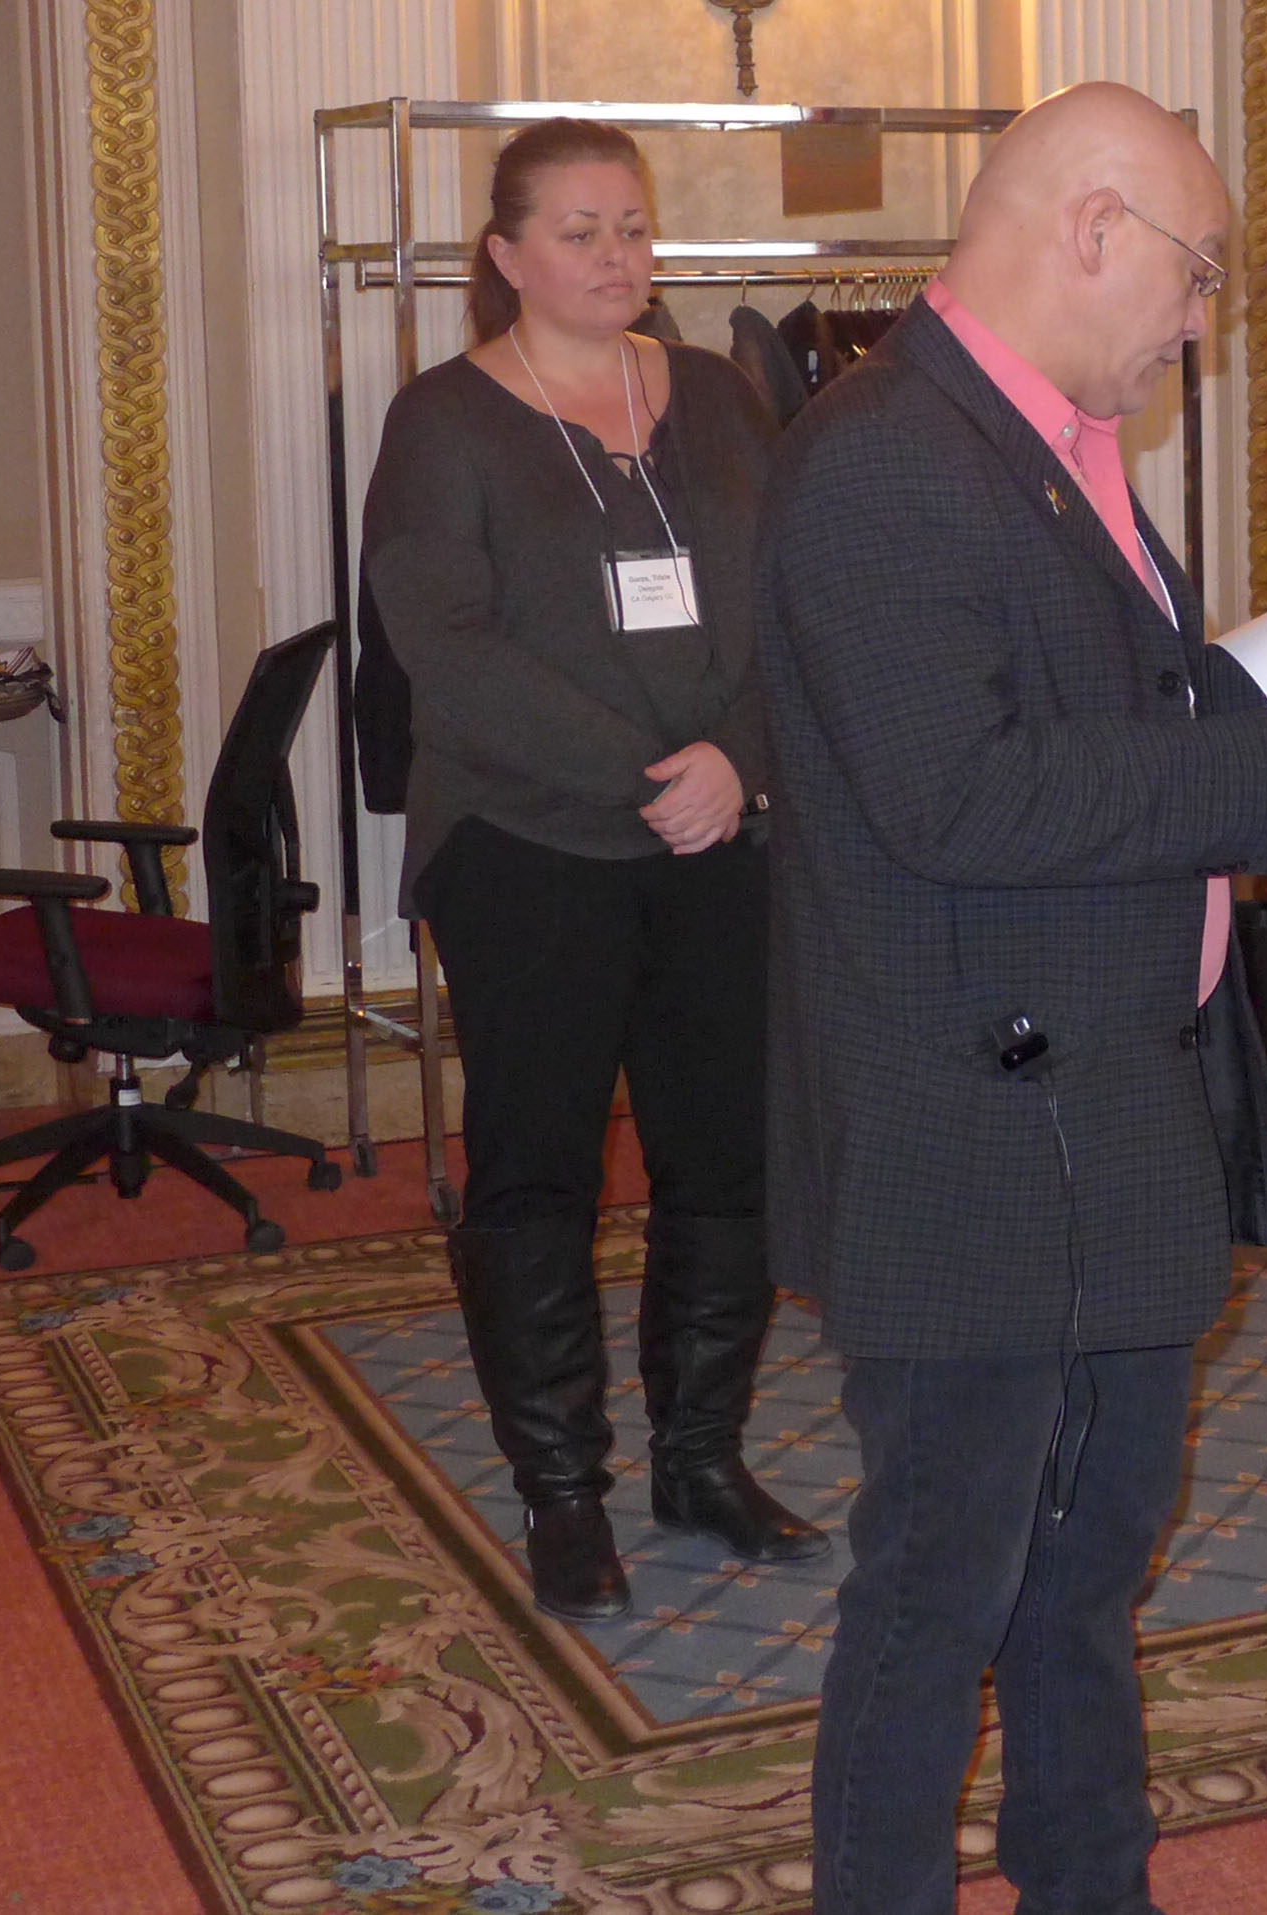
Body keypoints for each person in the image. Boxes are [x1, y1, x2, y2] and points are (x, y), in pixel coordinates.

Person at [755, 83, 1267, 1915]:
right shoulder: (887, 453)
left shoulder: (1052, 440)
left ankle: (1094, 1891)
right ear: (1090, 227)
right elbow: (959, 797)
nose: (1204, 315)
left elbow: (1118, 721)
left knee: (1084, 1579)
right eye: (1199, 269)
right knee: (939, 1596)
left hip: (1110, 1113)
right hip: (970, 1145)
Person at [361, 117, 826, 1627]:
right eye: (579, 230)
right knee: (539, 1168)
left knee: (727, 1157)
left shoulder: (715, 396)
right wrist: (654, 776)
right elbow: (449, 652)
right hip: (528, 846)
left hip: (720, 835)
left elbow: (788, 605)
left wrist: (739, 762)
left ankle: (701, 1458)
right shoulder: (443, 419)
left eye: (632, 227)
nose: (616, 255)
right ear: (504, 257)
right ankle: (564, 1491)